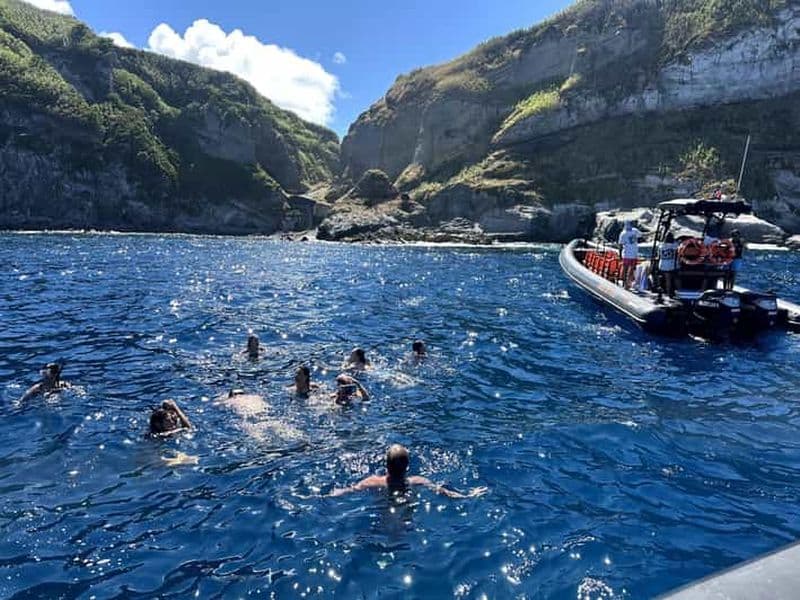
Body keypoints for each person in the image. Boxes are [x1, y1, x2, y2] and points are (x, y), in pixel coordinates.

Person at [331, 444, 488, 498]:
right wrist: (468, 495)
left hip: (384, 508)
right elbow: (446, 493)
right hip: (406, 511)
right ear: (407, 467)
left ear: (386, 465)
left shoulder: (372, 482)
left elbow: (347, 491)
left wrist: (323, 495)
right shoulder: (419, 481)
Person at [617, 221, 642, 289]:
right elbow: (621, 245)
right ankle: (625, 283)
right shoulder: (626, 233)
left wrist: (620, 255)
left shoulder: (624, 233)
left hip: (630, 254)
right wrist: (620, 254)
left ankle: (627, 283)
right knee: (627, 269)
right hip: (630, 254)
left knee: (628, 269)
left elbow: (620, 245)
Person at [658, 232, 680, 297]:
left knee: (668, 279)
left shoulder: (661, 246)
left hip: (663, 265)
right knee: (676, 278)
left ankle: (668, 293)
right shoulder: (674, 245)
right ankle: (678, 292)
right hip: (671, 265)